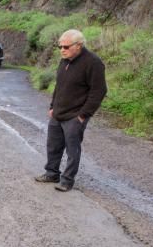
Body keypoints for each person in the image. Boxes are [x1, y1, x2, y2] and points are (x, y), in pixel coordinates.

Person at [35, 29, 107, 192]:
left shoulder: (93, 63)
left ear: (79, 46)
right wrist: (52, 106)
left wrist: (83, 115)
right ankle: (52, 173)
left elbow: (99, 91)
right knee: (53, 145)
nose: (62, 50)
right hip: (58, 113)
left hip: (75, 116)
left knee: (72, 150)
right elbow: (59, 86)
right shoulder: (65, 60)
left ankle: (67, 180)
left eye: (66, 47)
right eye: (60, 46)